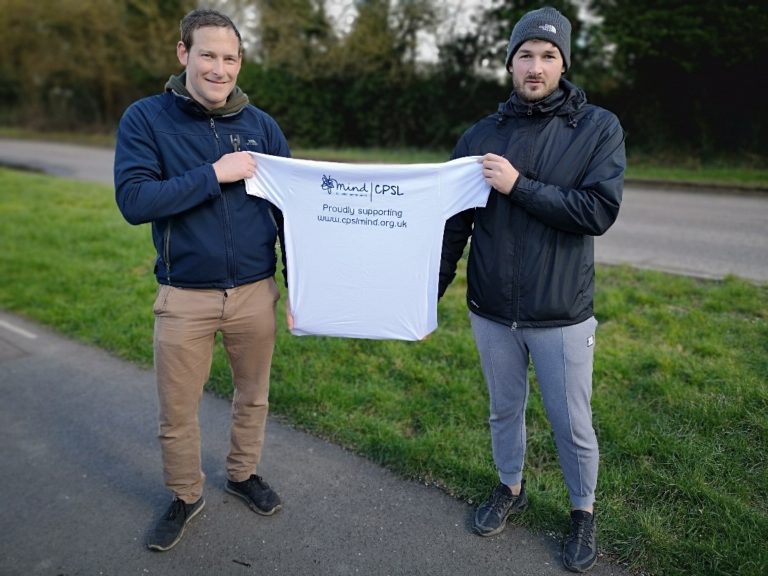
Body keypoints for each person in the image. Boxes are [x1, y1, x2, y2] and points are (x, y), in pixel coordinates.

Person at [438, 6, 625, 573]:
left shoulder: (598, 128)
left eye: (548, 56)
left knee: (571, 421)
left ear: (563, 63)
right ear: (510, 62)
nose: (536, 66)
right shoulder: (482, 135)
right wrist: (431, 289)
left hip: (560, 312)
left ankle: (582, 511)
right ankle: (509, 488)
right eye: (525, 55)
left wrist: (520, 186)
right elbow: (452, 221)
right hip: (491, 309)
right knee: (503, 410)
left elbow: (597, 210)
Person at [114, 8, 290, 552]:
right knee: (178, 411)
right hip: (184, 297)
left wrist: (303, 287)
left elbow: (291, 211)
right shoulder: (146, 119)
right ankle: (185, 495)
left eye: (230, 57)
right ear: (183, 54)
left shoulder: (261, 127)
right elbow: (135, 200)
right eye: (208, 55)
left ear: (241, 62)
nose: (219, 68)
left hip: (255, 293)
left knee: (253, 396)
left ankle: (241, 475)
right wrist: (214, 174)